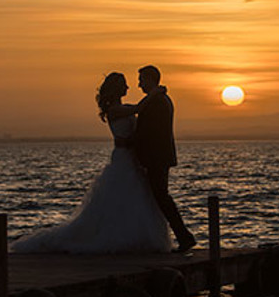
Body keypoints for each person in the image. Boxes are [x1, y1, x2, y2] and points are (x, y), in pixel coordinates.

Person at [12, 72, 172, 254]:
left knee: (136, 199)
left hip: (133, 159)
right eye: (124, 85)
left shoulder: (123, 107)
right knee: (123, 197)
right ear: (117, 88)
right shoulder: (114, 111)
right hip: (122, 158)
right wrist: (154, 93)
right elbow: (139, 109)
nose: (128, 88)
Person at [132, 65, 196, 253]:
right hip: (158, 156)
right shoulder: (160, 99)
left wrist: (132, 142)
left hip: (156, 157)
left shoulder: (157, 102)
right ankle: (180, 236)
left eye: (141, 80)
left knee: (161, 196)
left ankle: (184, 236)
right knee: (159, 196)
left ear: (150, 79)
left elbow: (150, 131)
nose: (139, 84)